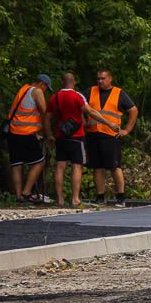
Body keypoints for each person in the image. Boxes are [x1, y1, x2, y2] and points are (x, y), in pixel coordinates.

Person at [46, 72, 104, 207]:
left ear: (62, 82)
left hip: (60, 137)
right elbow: (90, 111)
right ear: (74, 83)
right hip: (77, 137)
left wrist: (49, 134)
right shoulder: (77, 96)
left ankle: (59, 199)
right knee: (77, 167)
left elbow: (47, 118)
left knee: (60, 167)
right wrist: (108, 123)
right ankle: (75, 199)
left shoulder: (54, 97)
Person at [86, 69, 138, 207]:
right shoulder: (91, 91)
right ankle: (100, 197)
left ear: (110, 79)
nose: (100, 82)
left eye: (103, 79)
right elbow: (82, 107)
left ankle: (121, 197)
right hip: (93, 133)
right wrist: (83, 121)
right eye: (98, 79)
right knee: (97, 167)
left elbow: (133, 110)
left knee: (114, 166)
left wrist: (127, 130)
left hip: (110, 135)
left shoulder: (118, 93)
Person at [6, 73, 53, 204]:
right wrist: (48, 133)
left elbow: (24, 114)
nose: (45, 91)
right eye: (46, 88)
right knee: (39, 162)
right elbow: (45, 112)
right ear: (42, 84)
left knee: (17, 164)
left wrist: (36, 133)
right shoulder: (37, 91)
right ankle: (27, 192)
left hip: (13, 132)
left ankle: (19, 195)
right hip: (25, 134)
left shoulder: (23, 89)